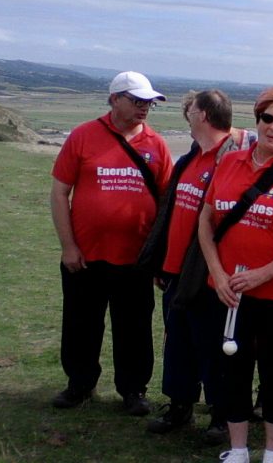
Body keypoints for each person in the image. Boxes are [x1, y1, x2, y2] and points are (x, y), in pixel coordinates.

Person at [199, 86, 273, 463]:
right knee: (232, 369)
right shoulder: (229, 163)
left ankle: (272, 452)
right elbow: (206, 222)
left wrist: (261, 275)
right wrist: (217, 273)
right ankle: (237, 449)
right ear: (257, 118)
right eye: (268, 117)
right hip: (229, 292)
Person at [50, 71, 172, 415]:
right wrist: (68, 246)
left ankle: (133, 390)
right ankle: (80, 383)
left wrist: (158, 254)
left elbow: (166, 202)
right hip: (85, 255)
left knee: (134, 326)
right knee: (80, 322)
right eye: (137, 101)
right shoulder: (83, 136)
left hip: (135, 259)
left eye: (149, 102)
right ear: (114, 99)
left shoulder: (156, 144)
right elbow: (60, 192)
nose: (144, 108)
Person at [144, 90, 256, 443]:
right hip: (177, 271)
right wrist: (162, 260)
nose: (186, 113)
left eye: (191, 108)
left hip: (211, 275)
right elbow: (171, 212)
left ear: (204, 114)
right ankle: (180, 406)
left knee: (214, 347)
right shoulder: (191, 157)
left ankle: (221, 415)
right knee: (178, 342)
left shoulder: (237, 157)